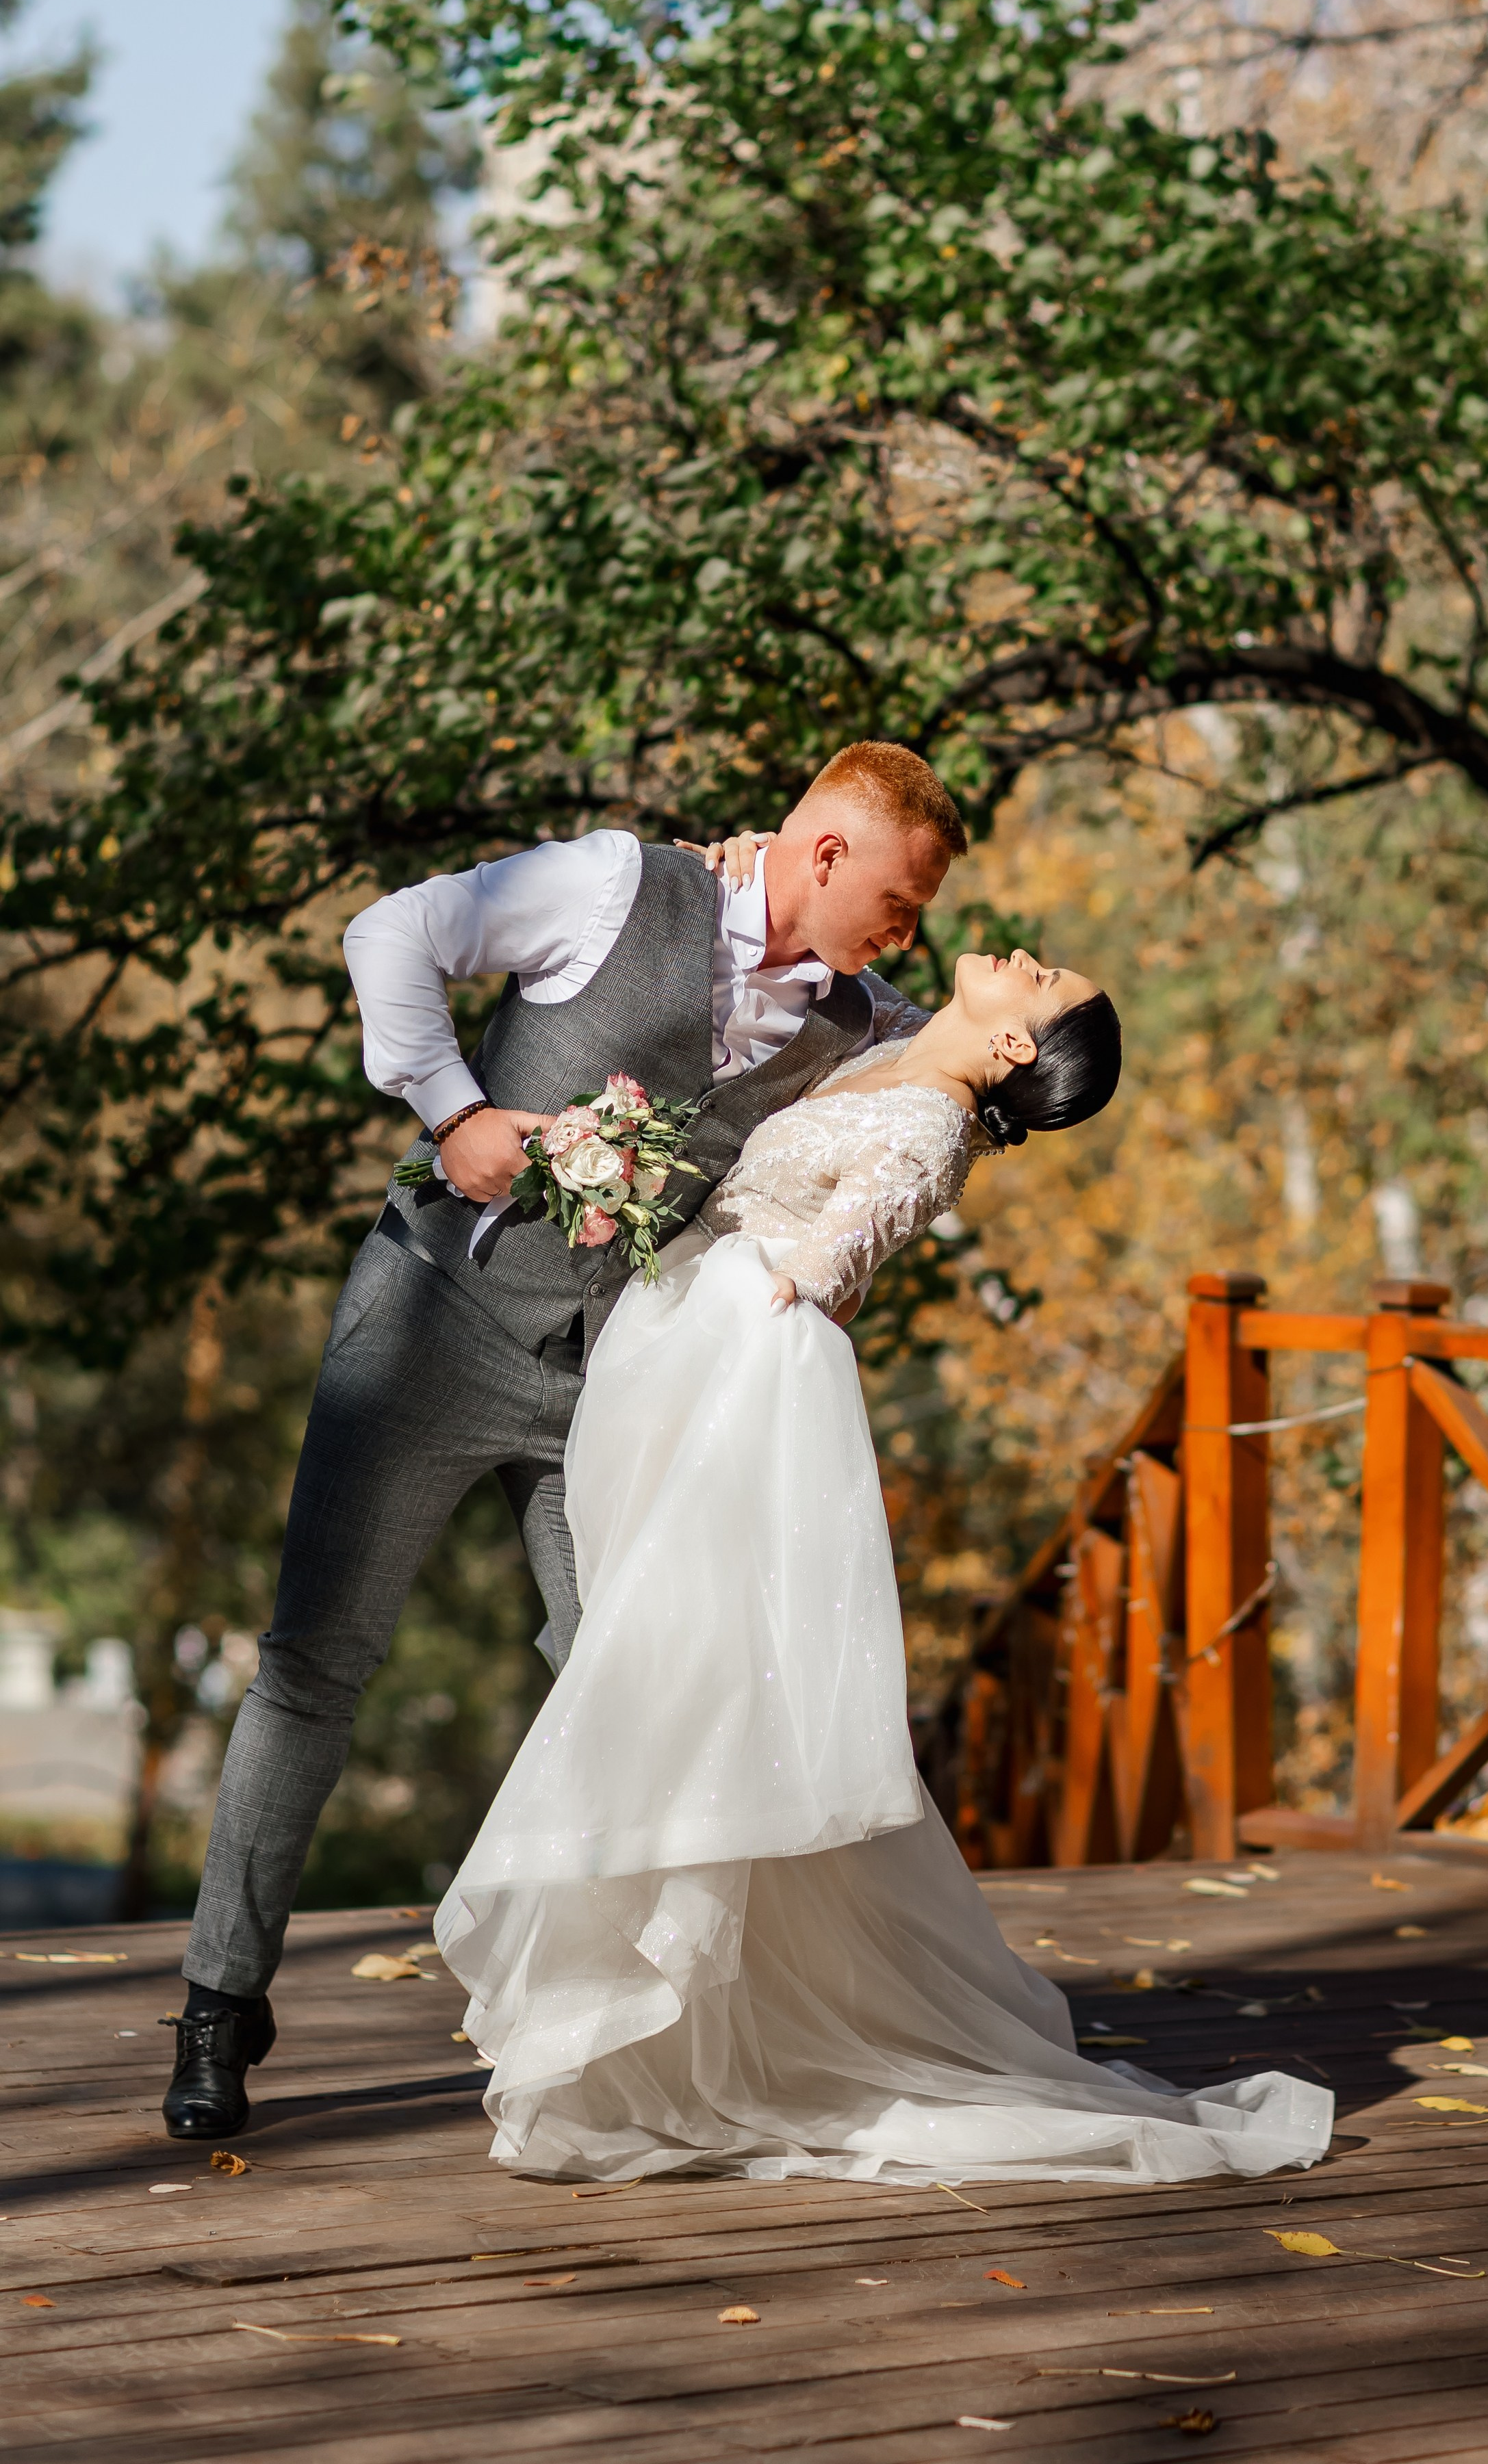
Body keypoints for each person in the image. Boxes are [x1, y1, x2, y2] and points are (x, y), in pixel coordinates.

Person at [163, 742, 966, 2142]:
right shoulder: (610, 883)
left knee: (626, 1677)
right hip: (431, 1324)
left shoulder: (859, 1019)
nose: (908, 933)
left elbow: (970, 1068)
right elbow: (392, 929)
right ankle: (220, 2004)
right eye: (899, 901)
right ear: (826, 854)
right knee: (314, 1661)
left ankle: (618, 2047)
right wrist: (452, 1108)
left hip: (609, 1387)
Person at [435, 948, 1334, 2189]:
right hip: (667, 1359)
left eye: (1043, 977)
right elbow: (807, 981)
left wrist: (722, 1258)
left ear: (1015, 1045)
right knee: (658, 1676)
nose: (1022, 956)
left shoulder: (928, 1125)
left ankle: (667, 2030)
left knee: (673, 1682)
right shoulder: (901, 1054)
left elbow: (828, 1275)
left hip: (724, 1387)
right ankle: (678, 2028)